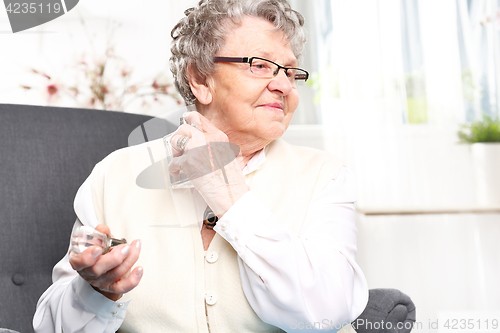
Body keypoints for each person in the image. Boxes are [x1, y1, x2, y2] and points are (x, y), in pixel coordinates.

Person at [33, 0, 368, 332]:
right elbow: (51, 327)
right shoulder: (114, 175)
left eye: (291, 72)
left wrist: (231, 196)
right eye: (260, 65)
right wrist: (95, 292)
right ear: (200, 79)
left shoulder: (325, 176)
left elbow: (327, 312)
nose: (284, 86)